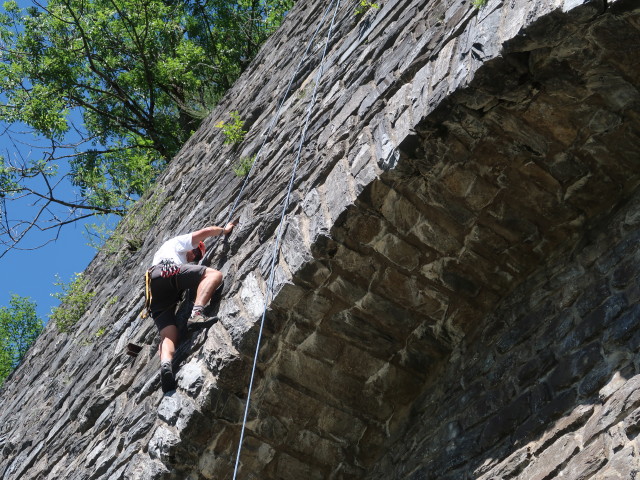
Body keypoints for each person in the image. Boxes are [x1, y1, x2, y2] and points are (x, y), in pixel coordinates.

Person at [149, 222, 237, 392]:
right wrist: (224, 230)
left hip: (155, 292)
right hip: (166, 271)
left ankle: (166, 364)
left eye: (197, 257)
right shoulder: (176, 243)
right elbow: (206, 231)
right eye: (195, 251)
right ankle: (196, 314)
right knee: (214, 275)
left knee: (169, 334)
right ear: (193, 246)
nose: (193, 257)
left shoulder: (170, 256)